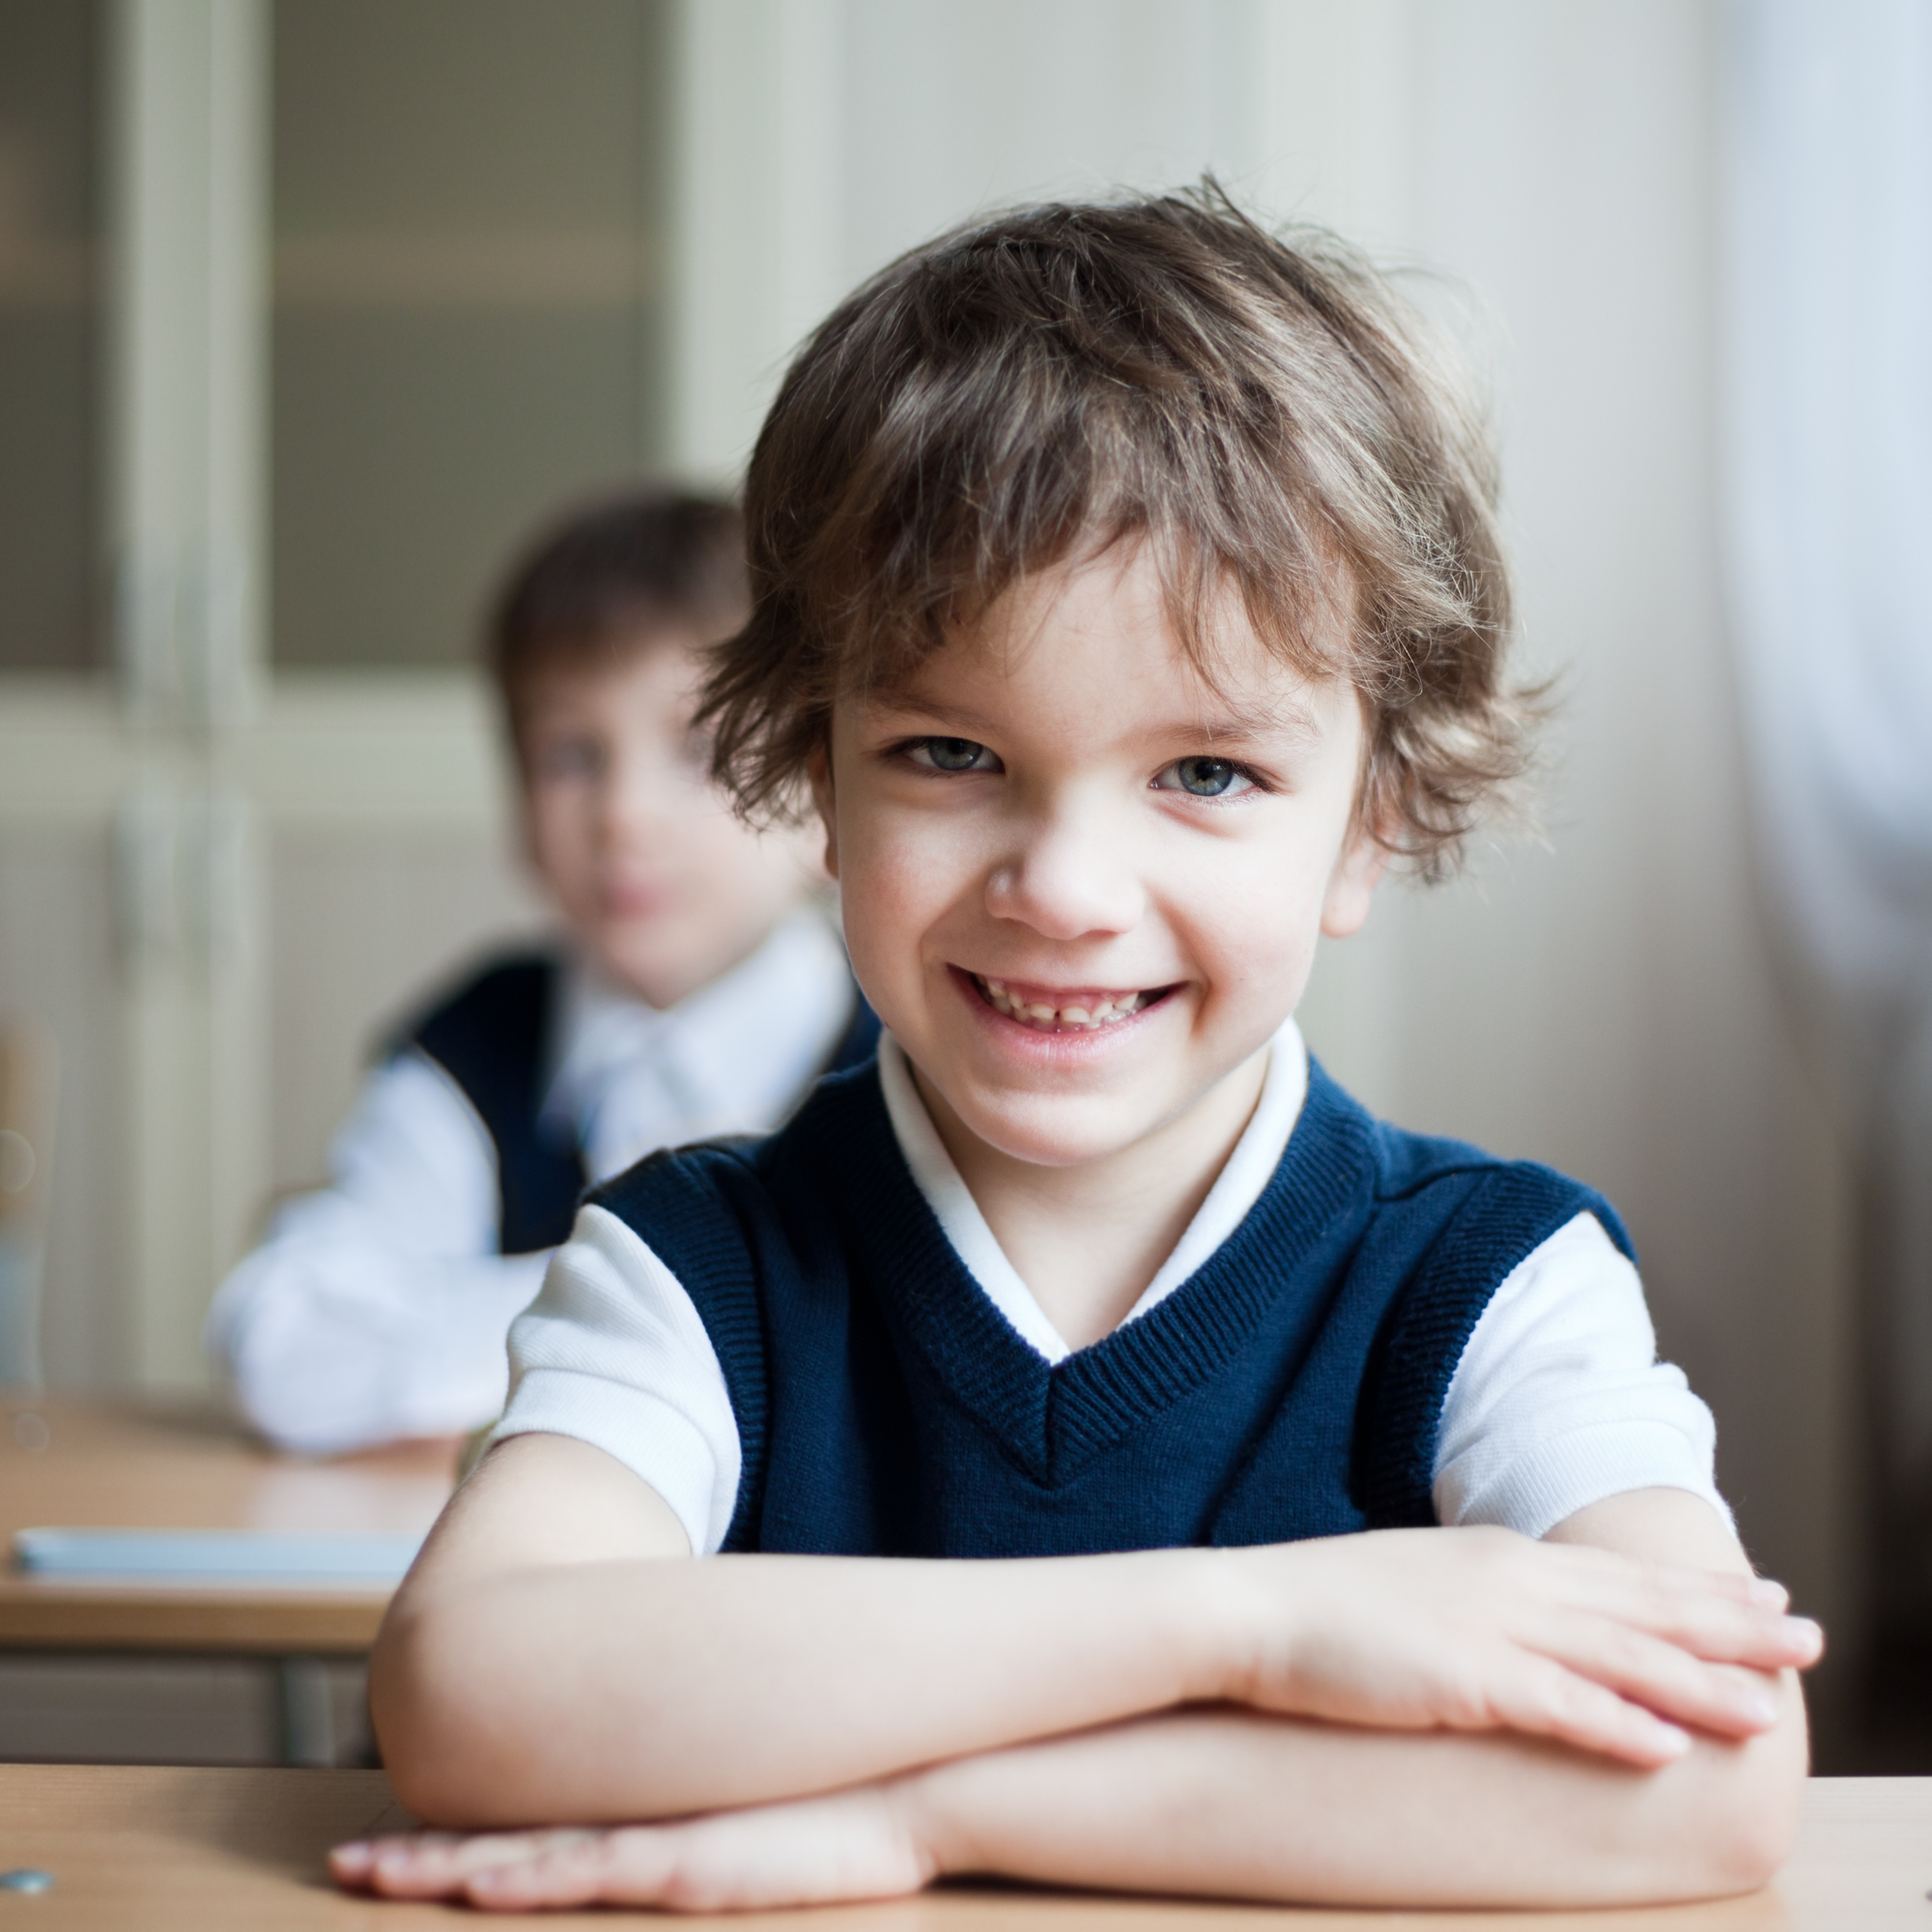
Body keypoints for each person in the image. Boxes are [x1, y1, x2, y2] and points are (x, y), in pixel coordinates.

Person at [333, 190, 1823, 1914]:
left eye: (1205, 775)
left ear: (1366, 828)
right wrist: (1258, 1623)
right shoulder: (698, 1266)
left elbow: (1710, 1782)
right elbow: (470, 1693)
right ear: (816, 777)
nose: (1063, 889)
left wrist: (932, 1819)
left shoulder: (1492, 1282)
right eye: (953, 752)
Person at [210, 492, 867, 1454]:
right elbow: (288, 1343)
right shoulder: (479, 1046)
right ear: (518, 803)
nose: (623, 816)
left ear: (820, 798)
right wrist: (675, 1300)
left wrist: (487, 1322)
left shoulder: (911, 1049)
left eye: (700, 749)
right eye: (570, 756)